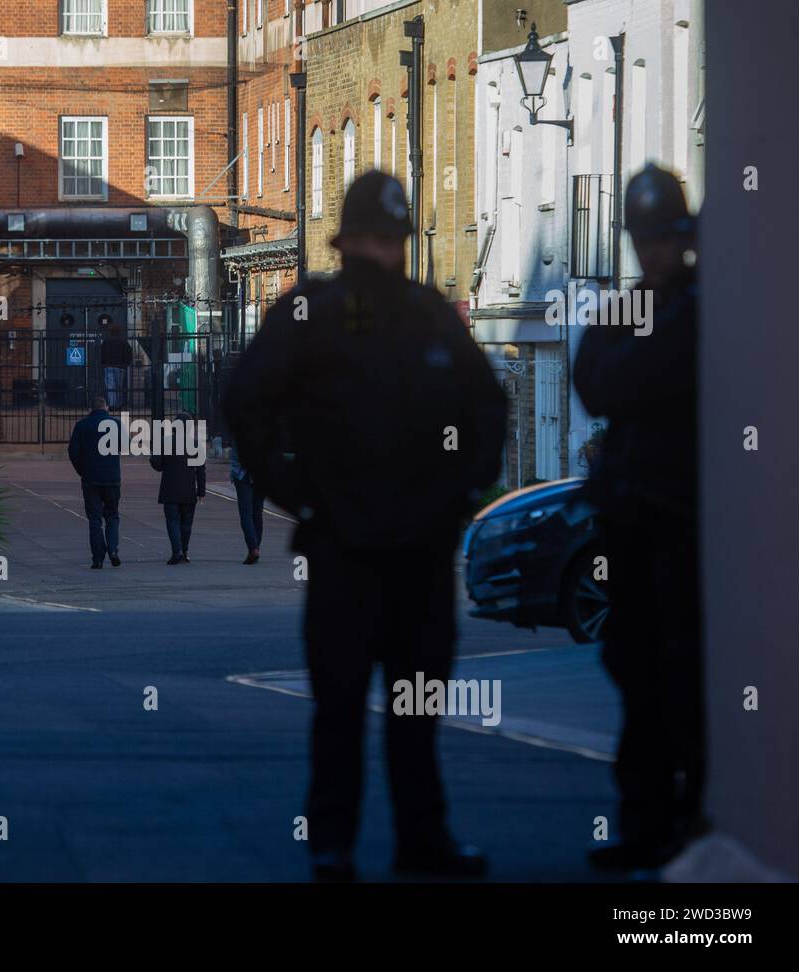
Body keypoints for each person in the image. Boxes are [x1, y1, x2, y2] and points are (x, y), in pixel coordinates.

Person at [223, 171, 506, 882]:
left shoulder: (428, 314)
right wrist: (299, 494)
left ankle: (415, 841)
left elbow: (488, 410)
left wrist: (459, 495)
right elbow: (244, 404)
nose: (381, 252)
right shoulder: (315, 313)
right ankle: (336, 847)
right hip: (346, 547)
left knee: (414, 711)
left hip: (410, 550)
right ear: (347, 241)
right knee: (342, 709)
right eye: (372, 239)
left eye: (390, 240)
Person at [573, 163, 703, 872]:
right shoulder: (634, 310)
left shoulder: (703, 307)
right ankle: (646, 822)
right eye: (643, 238)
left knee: (686, 677)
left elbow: (629, 377)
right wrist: (656, 365)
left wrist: (644, 369)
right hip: (631, 523)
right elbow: (595, 382)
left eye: (663, 237)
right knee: (637, 674)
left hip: (685, 523)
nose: (652, 252)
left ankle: (691, 817)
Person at [68, 396, 121, 569]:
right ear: (106, 407)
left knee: (94, 518)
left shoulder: (82, 425)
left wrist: (82, 470)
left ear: (90, 408)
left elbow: (73, 452)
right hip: (112, 477)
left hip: (90, 477)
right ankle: (113, 549)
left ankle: (97, 558)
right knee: (112, 515)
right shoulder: (116, 424)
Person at [151, 411, 207, 564]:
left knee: (172, 521)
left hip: (169, 488)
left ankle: (177, 551)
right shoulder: (196, 444)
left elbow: (155, 462)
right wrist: (201, 491)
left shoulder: (164, 441)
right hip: (189, 490)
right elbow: (201, 470)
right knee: (187, 522)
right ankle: (185, 550)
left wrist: (164, 466)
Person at [230, 447, 265, 564]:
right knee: (257, 513)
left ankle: (253, 548)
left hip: (243, 474)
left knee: (246, 513)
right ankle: (256, 548)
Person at [99, 315, 132, 409]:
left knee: (110, 387)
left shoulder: (106, 341)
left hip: (108, 366)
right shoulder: (123, 341)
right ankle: (119, 404)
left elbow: (102, 353)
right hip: (120, 366)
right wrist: (127, 363)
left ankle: (113, 405)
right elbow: (129, 352)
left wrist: (103, 363)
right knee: (119, 387)